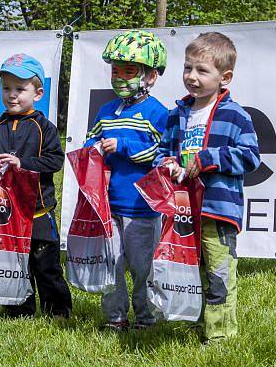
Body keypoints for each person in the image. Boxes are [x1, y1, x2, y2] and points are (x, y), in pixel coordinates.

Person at [154, 32, 260, 341]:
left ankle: (220, 335)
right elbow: (163, 152)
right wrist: (168, 164)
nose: (192, 77)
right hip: (183, 210)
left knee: (218, 272)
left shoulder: (236, 116)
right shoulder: (176, 115)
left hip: (217, 209)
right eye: (188, 68)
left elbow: (250, 157)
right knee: (192, 271)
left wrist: (208, 158)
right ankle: (198, 324)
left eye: (202, 70)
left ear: (224, 78)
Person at [0, 53, 72, 318]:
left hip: (39, 212)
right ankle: (18, 311)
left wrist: (22, 163)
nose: (12, 95)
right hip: (6, 213)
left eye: (20, 88)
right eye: (6, 88)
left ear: (38, 93)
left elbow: (55, 161)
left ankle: (58, 312)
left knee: (46, 266)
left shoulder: (45, 128)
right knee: (14, 265)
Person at [84, 29, 169, 331]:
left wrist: (125, 147)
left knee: (142, 267)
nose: (120, 76)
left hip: (142, 207)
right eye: (115, 70)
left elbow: (164, 151)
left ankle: (146, 319)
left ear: (150, 76)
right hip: (108, 205)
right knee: (112, 263)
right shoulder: (107, 111)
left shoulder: (158, 112)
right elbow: (88, 146)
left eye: (129, 71)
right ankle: (115, 317)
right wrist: (92, 151)